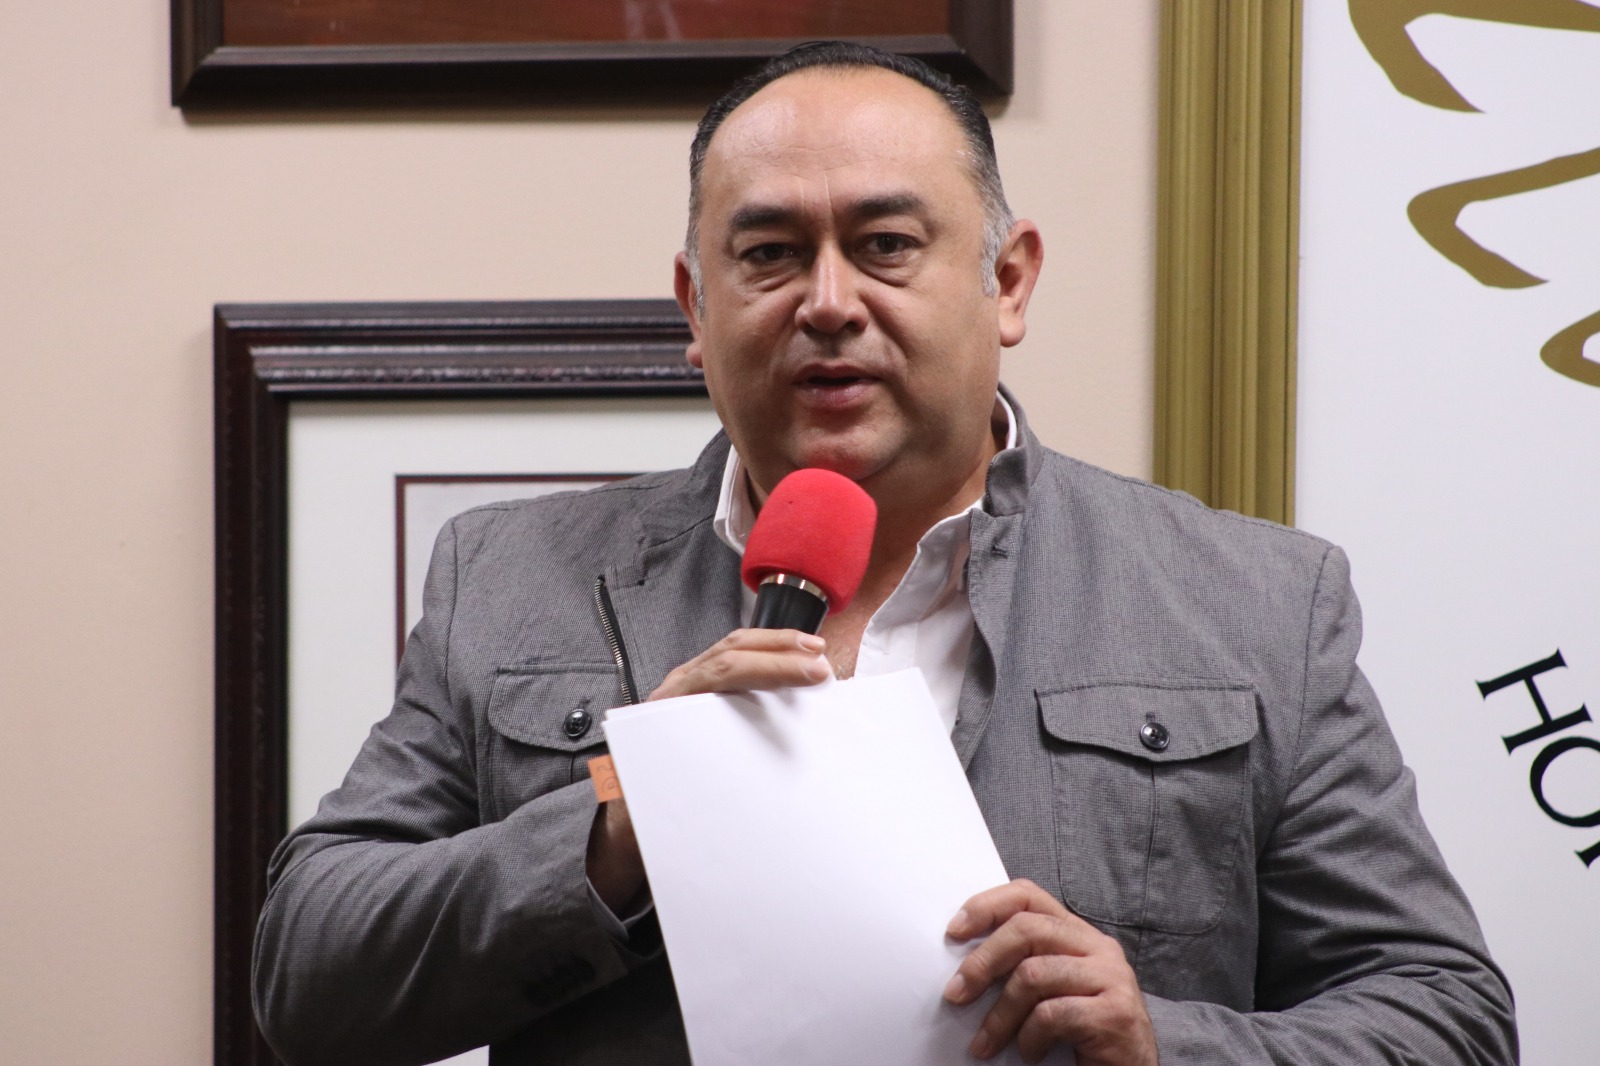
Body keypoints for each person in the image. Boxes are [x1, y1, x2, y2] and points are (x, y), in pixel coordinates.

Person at [253, 42, 1517, 1066]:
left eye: (886, 245)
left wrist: (1158, 1043)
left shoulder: (1255, 601)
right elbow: (306, 979)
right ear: (695, 307)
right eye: (768, 254)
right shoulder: (509, 577)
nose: (827, 301)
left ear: (1007, 282)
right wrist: (617, 820)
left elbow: (1446, 1018)